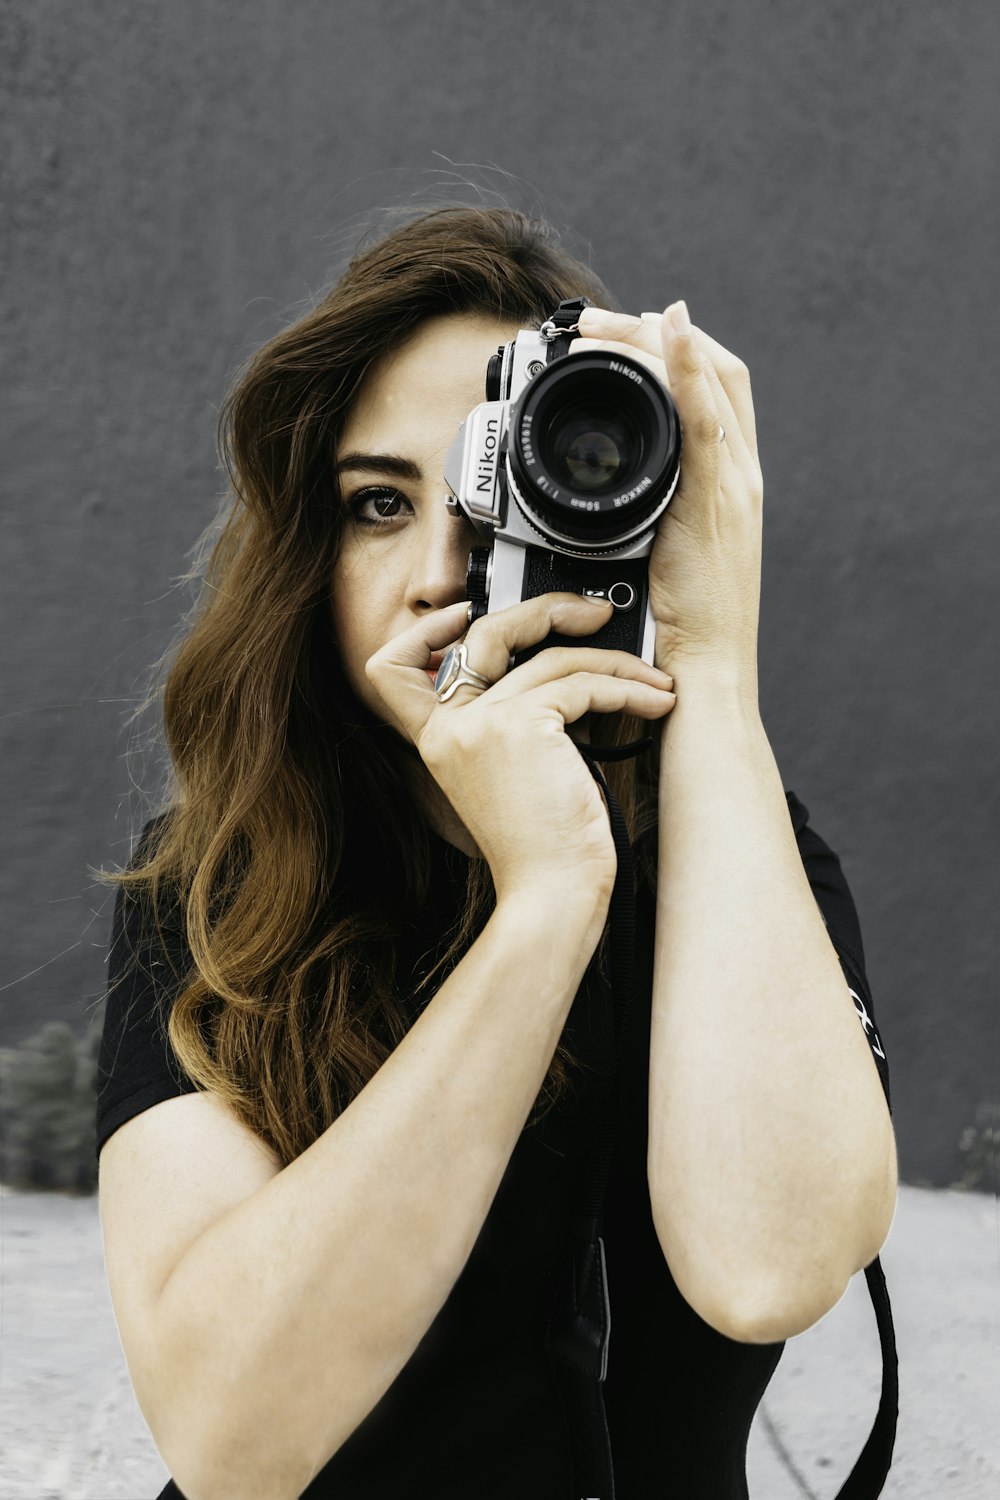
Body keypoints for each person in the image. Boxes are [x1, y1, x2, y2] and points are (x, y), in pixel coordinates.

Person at [96, 205, 897, 1500]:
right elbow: (229, 1438)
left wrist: (713, 669)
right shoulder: (215, 884)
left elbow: (768, 1270)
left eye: (500, 487)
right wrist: (547, 898)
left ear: (629, 505)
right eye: (374, 504)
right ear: (309, 557)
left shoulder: (737, 850)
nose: (434, 570)